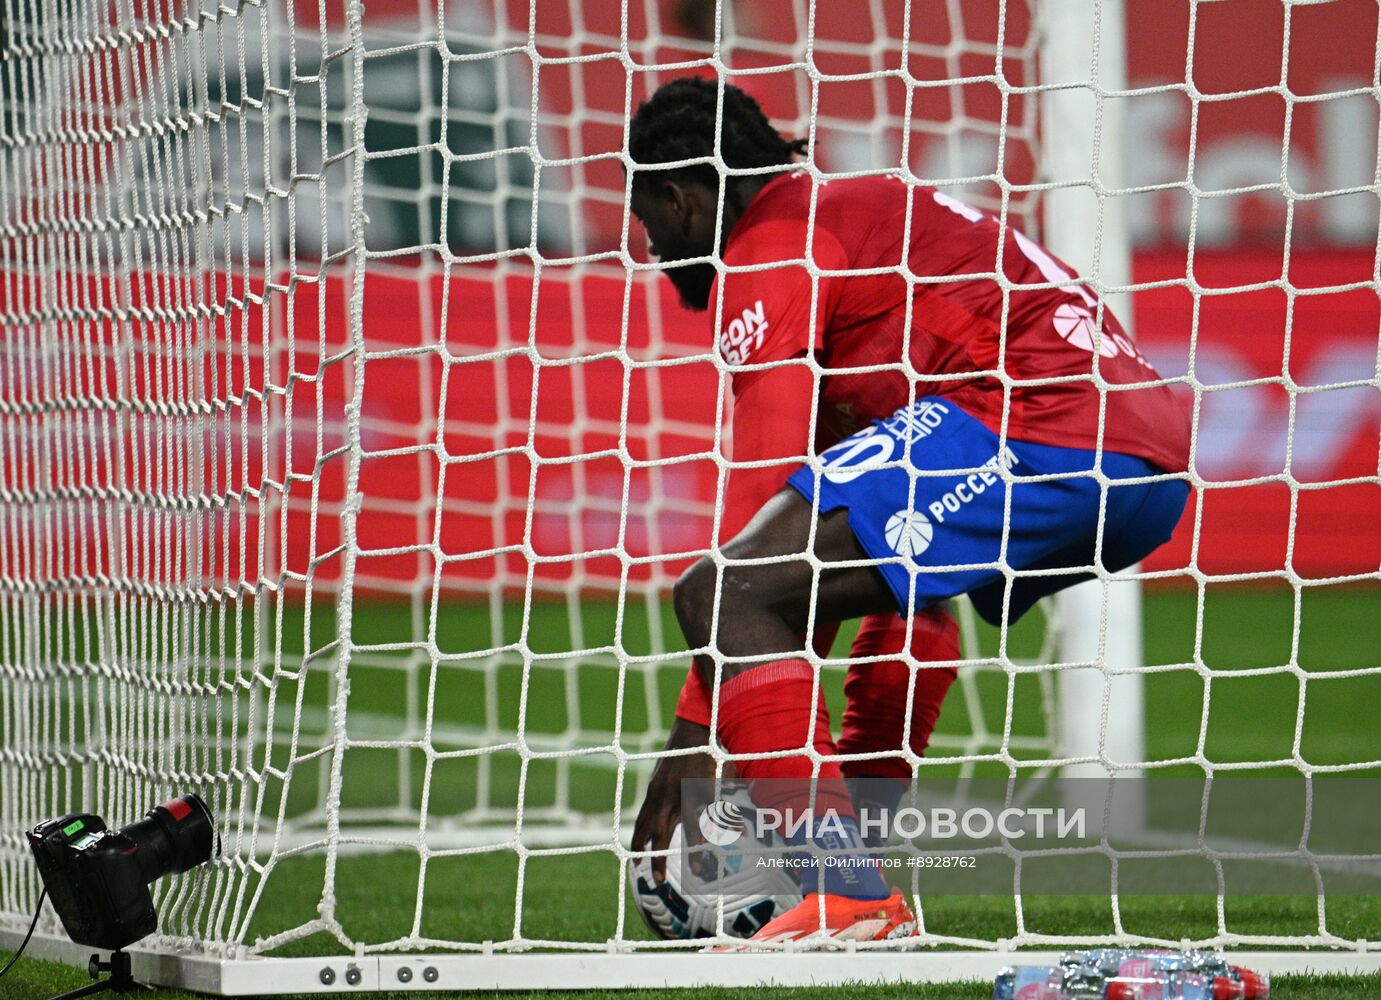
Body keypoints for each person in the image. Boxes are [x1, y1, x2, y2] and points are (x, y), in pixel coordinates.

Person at [626, 76, 1191, 946]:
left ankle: (843, 886)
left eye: (648, 221)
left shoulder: (772, 245)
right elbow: (867, 590)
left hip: (1044, 423)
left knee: (723, 591)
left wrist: (696, 734)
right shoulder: (862, 214)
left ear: (679, 197)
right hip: (1141, 454)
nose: (651, 246)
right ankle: (850, 879)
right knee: (899, 590)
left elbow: (758, 513)